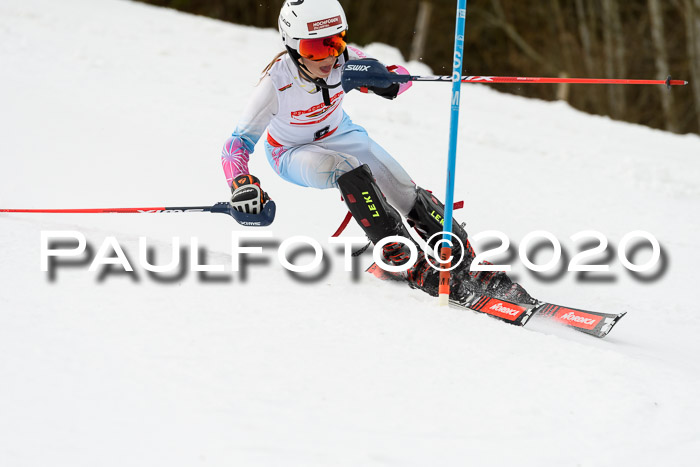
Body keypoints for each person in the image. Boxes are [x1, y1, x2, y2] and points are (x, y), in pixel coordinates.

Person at [221, 0, 535, 305]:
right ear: (292, 46)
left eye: (335, 42)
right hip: (290, 152)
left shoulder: (345, 59)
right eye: (315, 48)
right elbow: (236, 144)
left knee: (403, 190)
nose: (328, 56)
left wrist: (384, 79)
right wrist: (241, 184)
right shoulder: (277, 83)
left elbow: (400, 78)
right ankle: (405, 258)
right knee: (345, 168)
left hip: (341, 134)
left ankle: (466, 262)